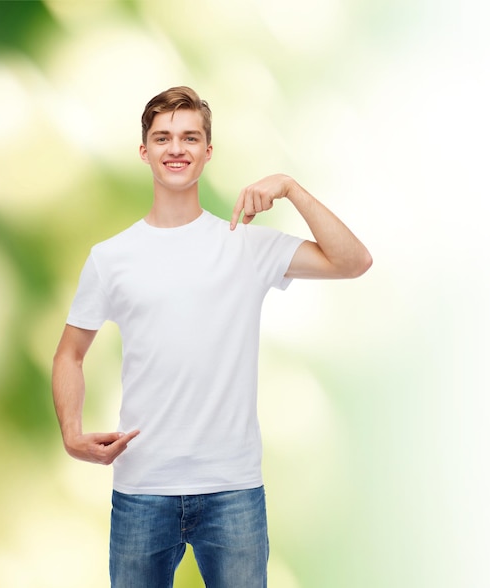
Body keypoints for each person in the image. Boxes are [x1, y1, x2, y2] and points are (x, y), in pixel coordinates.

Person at [52, 86, 372, 588]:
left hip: (233, 489)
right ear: (144, 151)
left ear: (207, 151)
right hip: (142, 487)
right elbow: (70, 355)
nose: (176, 148)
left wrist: (290, 187)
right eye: (162, 137)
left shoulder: (245, 245)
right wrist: (71, 435)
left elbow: (354, 262)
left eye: (190, 137)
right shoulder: (111, 257)